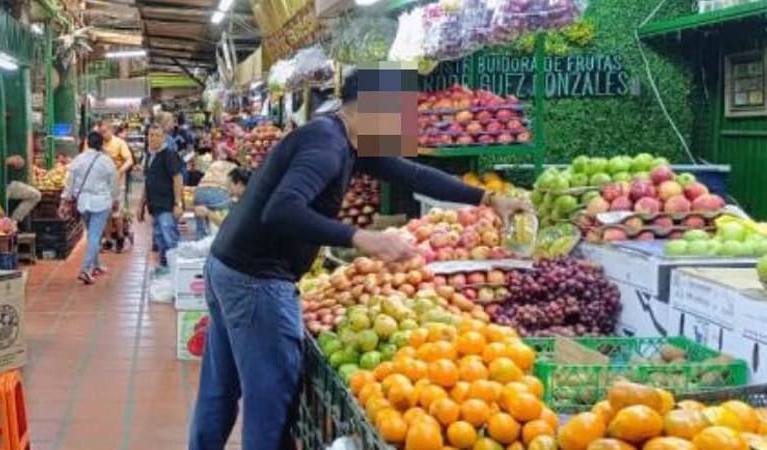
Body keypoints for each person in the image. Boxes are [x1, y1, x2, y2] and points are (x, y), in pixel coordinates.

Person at [189, 69, 532, 450]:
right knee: (270, 396)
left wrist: (487, 198)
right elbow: (281, 210)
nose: (407, 122)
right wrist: (360, 237)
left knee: (220, 387)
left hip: (229, 266)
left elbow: (413, 174)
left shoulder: (348, 140)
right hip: (256, 279)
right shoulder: (327, 147)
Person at [60, 132, 119, 284]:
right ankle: (85, 270)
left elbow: (70, 182)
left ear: (87, 143)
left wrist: (65, 200)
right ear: (102, 144)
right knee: (94, 236)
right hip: (101, 203)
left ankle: (96, 265)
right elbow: (113, 183)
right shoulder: (107, 161)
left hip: (83, 203)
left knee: (92, 234)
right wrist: (115, 199)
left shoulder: (78, 159)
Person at [139, 114, 185, 274]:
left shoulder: (169, 155)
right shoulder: (150, 156)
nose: (153, 138)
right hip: (155, 206)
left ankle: (176, 272)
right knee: (160, 239)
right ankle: (166, 269)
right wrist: (141, 206)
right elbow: (147, 182)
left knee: (169, 238)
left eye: (157, 135)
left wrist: (178, 204)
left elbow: (178, 178)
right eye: (151, 135)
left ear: (163, 137)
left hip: (167, 205)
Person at [0, 122, 42, 224]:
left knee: (35, 195)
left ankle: (12, 223)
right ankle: (5, 227)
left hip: (7, 183)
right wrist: (9, 161)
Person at [101, 123, 135, 252]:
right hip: (103, 184)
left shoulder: (119, 143)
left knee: (117, 212)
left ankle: (120, 237)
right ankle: (108, 239)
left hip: (117, 184)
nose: (103, 135)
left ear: (110, 130)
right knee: (106, 212)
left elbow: (129, 160)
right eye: (101, 132)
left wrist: (120, 171)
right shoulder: (100, 144)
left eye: (104, 132)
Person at [191, 159, 239, 240]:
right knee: (223, 221)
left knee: (201, 226)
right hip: (219, 190)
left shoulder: (215, 163)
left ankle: (200, 243)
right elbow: (234, 185)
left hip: (199, 191)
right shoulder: (235, 168)